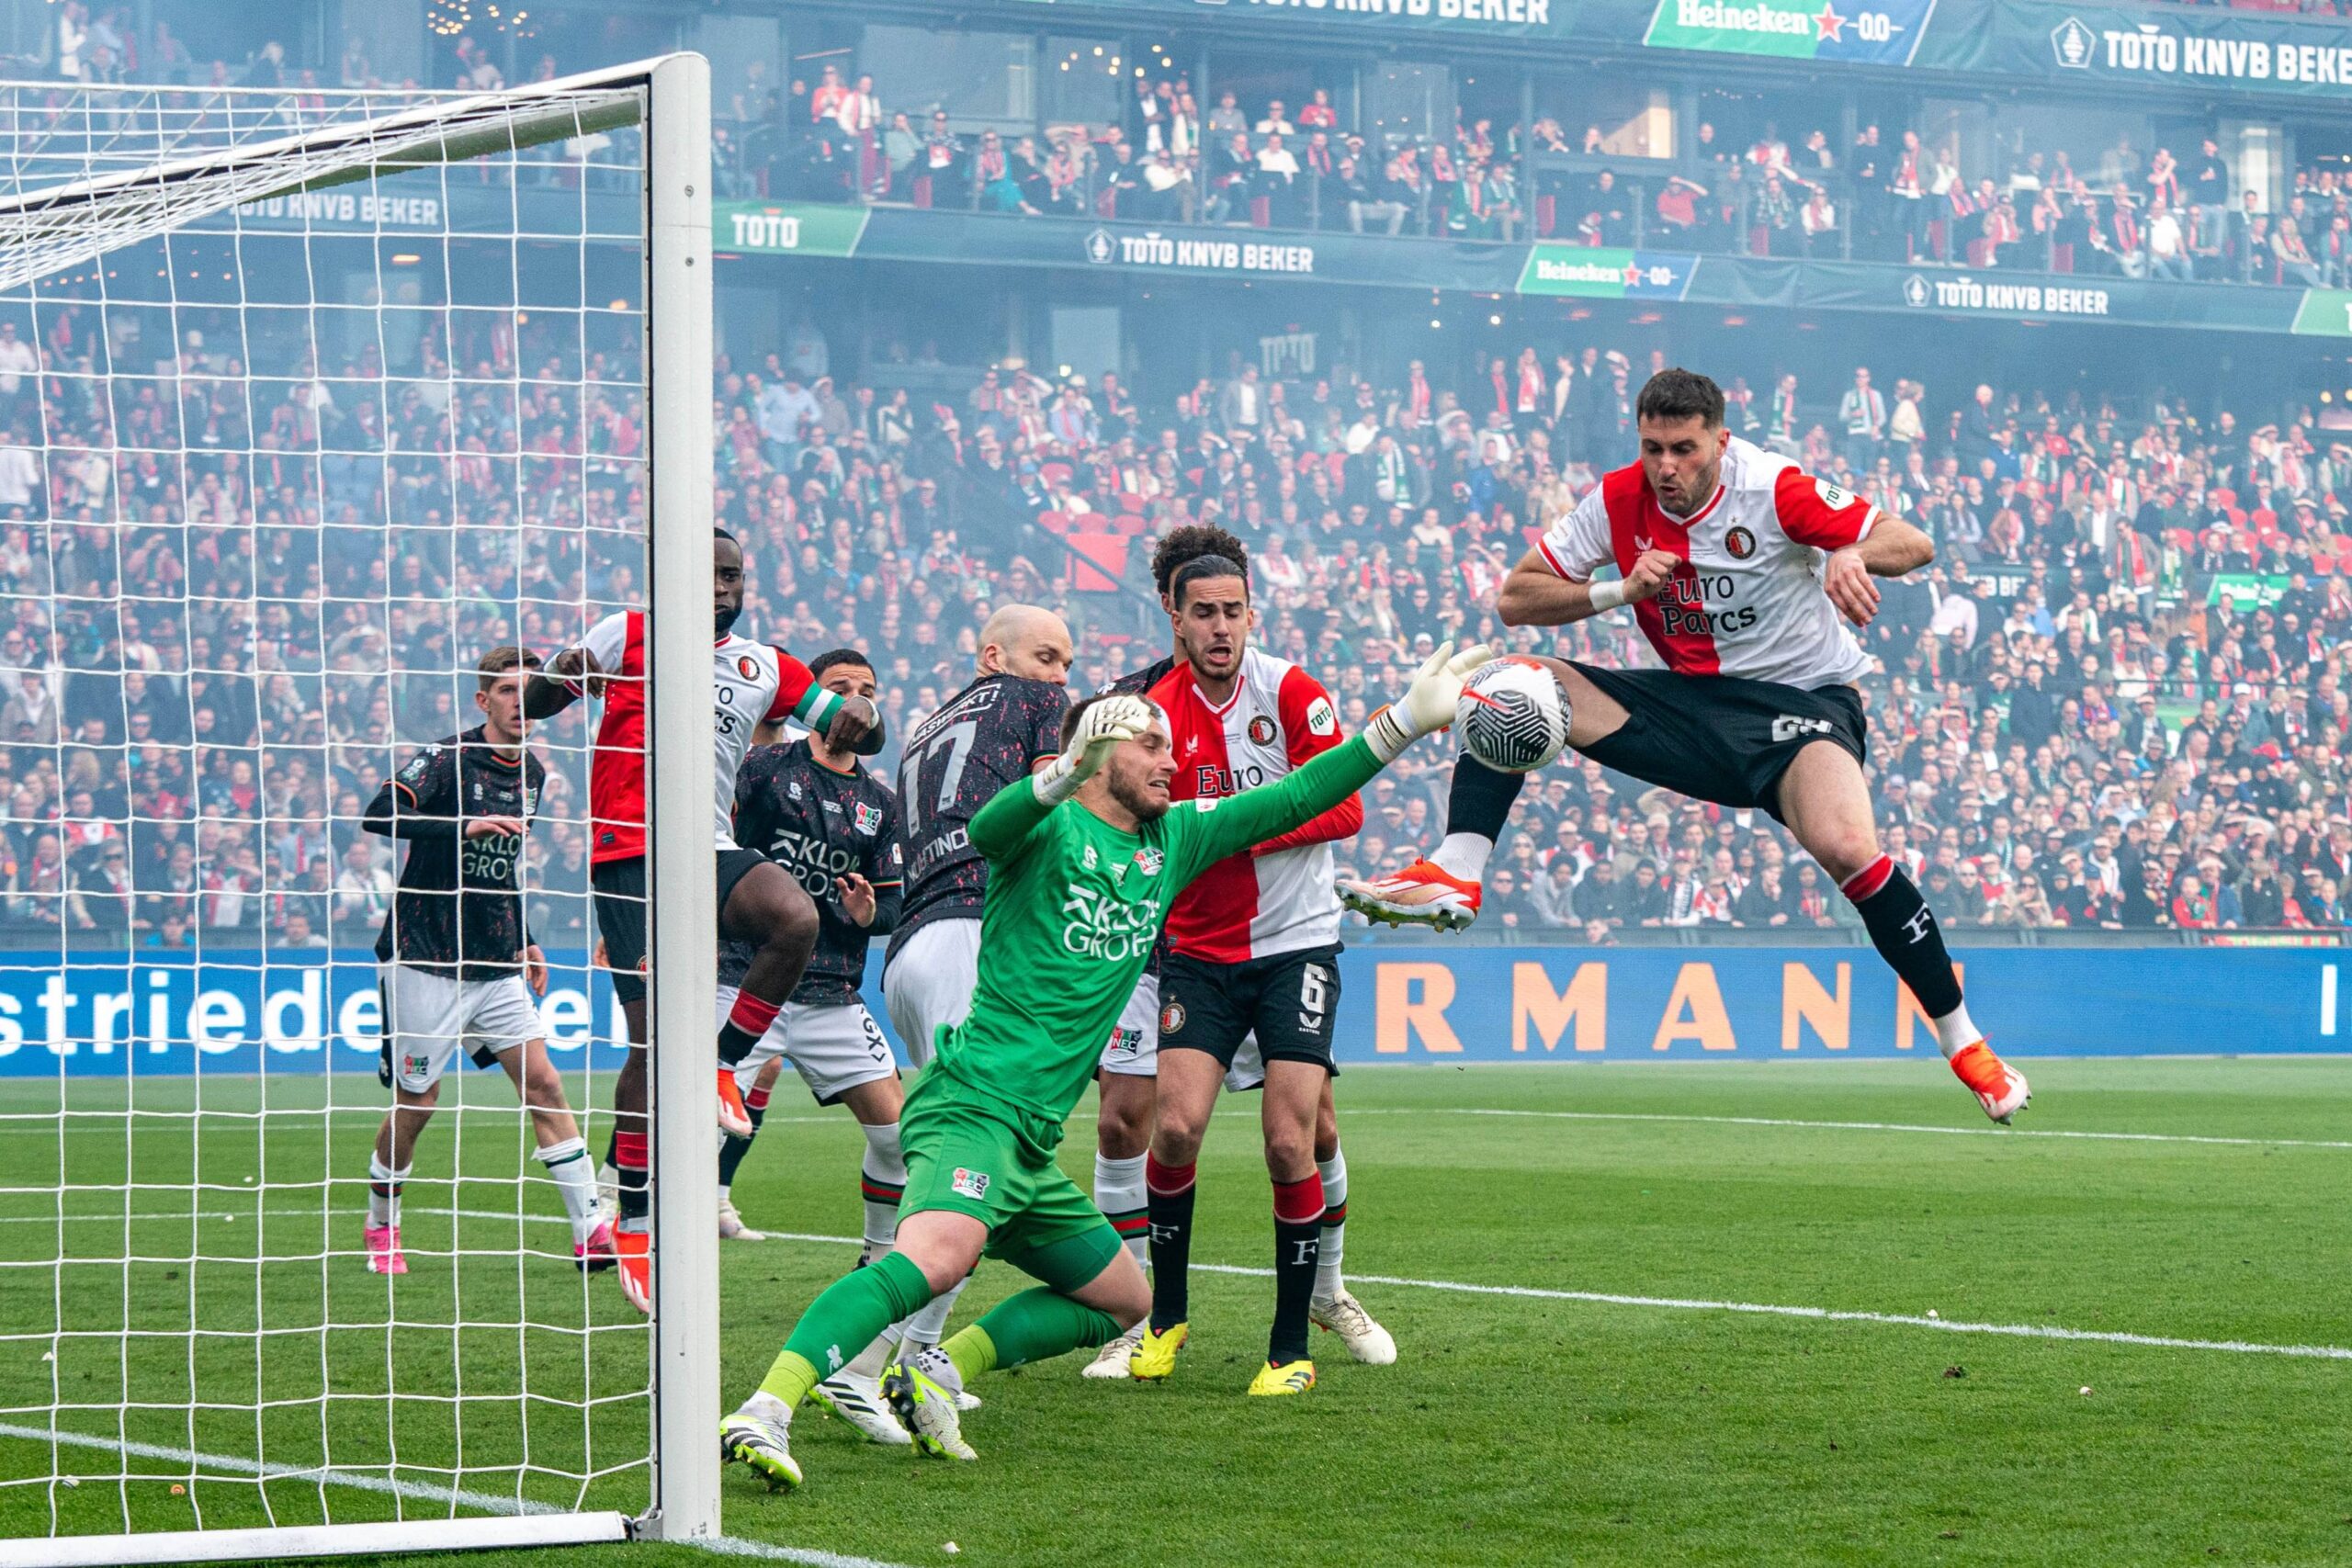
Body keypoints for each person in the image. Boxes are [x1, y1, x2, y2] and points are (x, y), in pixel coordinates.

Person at [718, 644, 1494, 1488]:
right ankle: (766, 1407)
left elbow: (1302, 793)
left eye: (1172, 745)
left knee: (1124, 1303)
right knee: (933, 1260)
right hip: (975, 1104)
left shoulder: (1179, 838)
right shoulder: (1048, 826)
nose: (1174, 758)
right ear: (1097, 754)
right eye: (1152, 745)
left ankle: (934, 1370)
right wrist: (1053, 779)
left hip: (1030, 1143)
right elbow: (988, 830)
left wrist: (1406, 721)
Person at [1340, 368, 2030, 1125]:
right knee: (1513, 682)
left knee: (1846, 846)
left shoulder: (1772, 487)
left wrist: (1853, 553)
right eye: (1652, 448)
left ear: (1720, 443)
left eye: (1684, 449)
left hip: (1799, 705)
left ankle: (1963, 1042)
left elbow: (1914, 540)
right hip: (1691, 707)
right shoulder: (1617, 500)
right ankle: (1457, 870)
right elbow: (1516, 597)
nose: (1666, 467)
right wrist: (1616, 591)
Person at [522, 529, 883, 1310]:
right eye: (709, 572)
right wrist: (556, 678)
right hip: (629, 852)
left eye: (733, 574)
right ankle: (638, 1222)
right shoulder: (624, 633)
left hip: (708, 845)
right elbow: (536, 701)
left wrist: (859, 711)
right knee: (650, 1042)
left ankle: (722, 1063)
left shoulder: (764, 665)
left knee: (792, 917)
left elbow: (863, 730)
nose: (722, 585)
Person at [1085, 525, 1392, 1381]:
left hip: (1296, 944)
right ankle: (1162, 1324)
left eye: (1234, 612)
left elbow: (1344, 810)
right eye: (1204, 614)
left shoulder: (1293, 692)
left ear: (1252, 614)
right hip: (1197, 948)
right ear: (1175, 621)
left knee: (1294, 1141)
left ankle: (1292, 1343)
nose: (1221, 627)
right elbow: (1135, 815)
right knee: (1174, 1127)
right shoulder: (1153, 721)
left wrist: (1234, 826)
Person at [359, 648, 610, 1278]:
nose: (519, 702)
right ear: (484, 701)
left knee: (546, 1083)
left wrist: (525, 937)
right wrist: (463, 826)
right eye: (506, 690)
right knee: (419, 1102)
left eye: (530, 691)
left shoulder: (533, 772)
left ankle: (591, 1230)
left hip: (497, 959)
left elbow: (501, 868)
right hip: (425, 954)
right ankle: (381, 1225)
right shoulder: (447, 758)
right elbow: (378, 813)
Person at [716, 648, 911, 1444]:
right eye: (841, 690)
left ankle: (874, 1264)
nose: (857, 703)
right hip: (745, 973)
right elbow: (716, 858)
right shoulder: (764, 770)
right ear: (815, 700)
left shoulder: (883, 803)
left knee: (899, 1133)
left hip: (832, 990)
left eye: (868, 691)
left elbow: (893, 908)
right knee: (699, 1114)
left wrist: (869, 913)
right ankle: (627, 1196)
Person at [877, 604, 1077, 1367]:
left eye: (1065, 662)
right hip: (970, 931)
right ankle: (901, 1357)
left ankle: (905, 1353)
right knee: (971, 1163)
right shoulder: (1036, 704)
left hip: (908, 952)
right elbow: (1054, 803)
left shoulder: (925, 727)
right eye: (1048, 656)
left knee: (960, 1157)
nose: (1061, 676)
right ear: (994, 654)